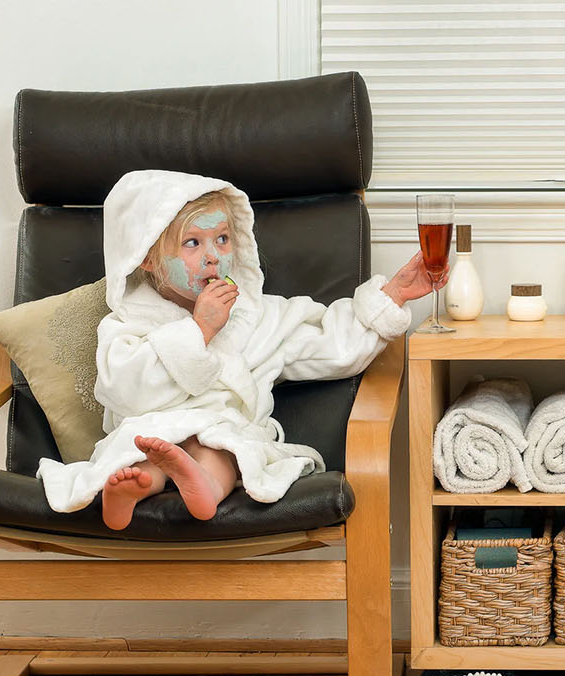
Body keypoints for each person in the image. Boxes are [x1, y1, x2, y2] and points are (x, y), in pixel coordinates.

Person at [37, 169, 437, 529]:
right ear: (148, 259)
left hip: (224, 430)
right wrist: (199, 331)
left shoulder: (256, 317)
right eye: (192, 242)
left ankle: (202, 486)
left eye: (223, 239)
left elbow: (330, 344)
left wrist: (392, 296)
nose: (213, 255)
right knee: (138, 449)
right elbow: (122, 390)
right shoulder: (127, 323)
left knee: (223, 448)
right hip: (149, 432)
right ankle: (130, 491)